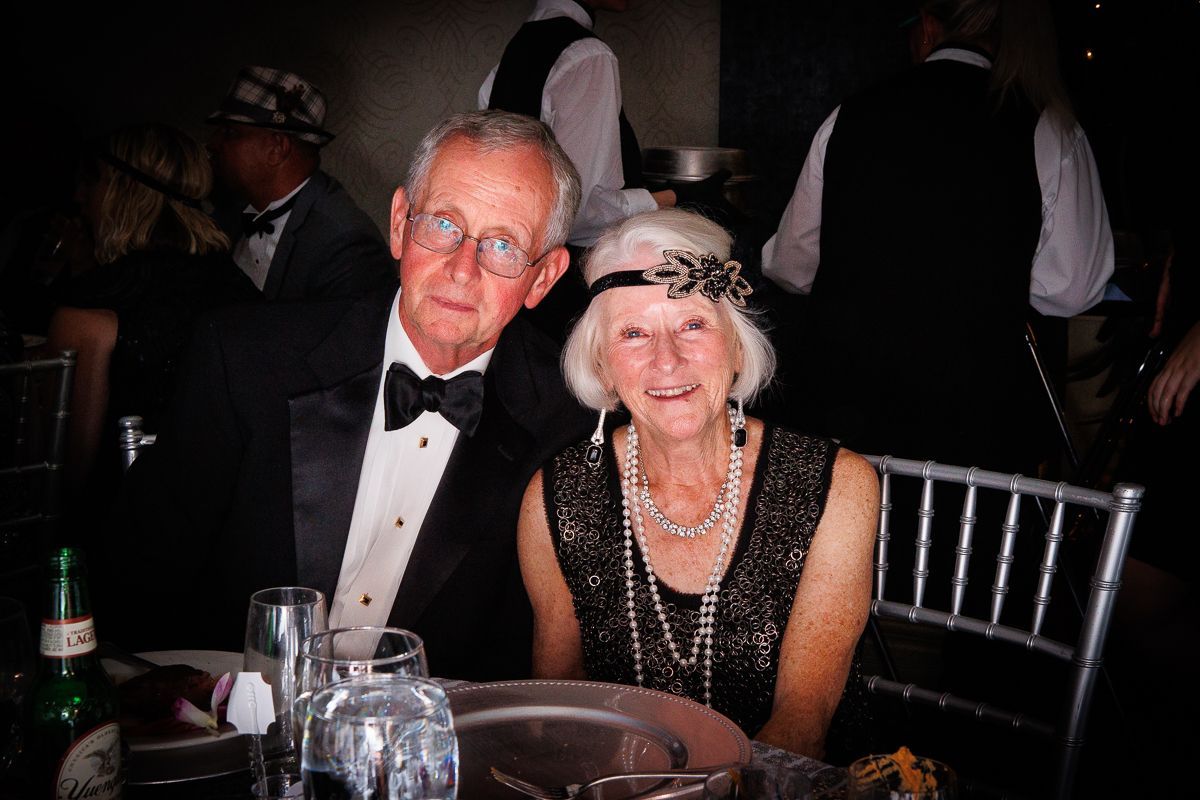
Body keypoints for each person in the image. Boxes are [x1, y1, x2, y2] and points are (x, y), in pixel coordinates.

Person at [104, 111, 592, 682]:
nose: (462, 270)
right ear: (398, 223)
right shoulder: (245, 360)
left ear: (543, 278)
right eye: (442, 225)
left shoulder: (568, 425)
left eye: (504, 246)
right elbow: (132, 587)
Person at [517, 208, 878, 760]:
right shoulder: (555, 501)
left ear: (736, 348)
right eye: (634, 333)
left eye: (692, 324)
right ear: (603, 367)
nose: (668, 360)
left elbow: (803, 721)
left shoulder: (838, 487)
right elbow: (560, 708)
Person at [761, 0, 1114, 474]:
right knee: (961, 547)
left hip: (844, 419)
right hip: (970, 429)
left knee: (845, 543)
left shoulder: (850, 116)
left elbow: (790, 267)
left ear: (927, 27)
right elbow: (1073, 288)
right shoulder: (1048, 128)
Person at [479, 0, 732, 340]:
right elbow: (582, 215)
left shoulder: (515, 51)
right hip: (568, 293)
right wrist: (677, 197)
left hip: (518, 283)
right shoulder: (587, 57)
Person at [46, 123, 259, 501]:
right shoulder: (236, 282)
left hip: (126, 532)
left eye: (90, 183)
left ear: (119, 192)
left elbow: (58, 479)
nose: (79, 198)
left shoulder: (88, 310)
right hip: (232, 520)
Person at [206, 65, 395, 300]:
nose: (212, 144)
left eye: (230, 133)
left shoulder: (346, 245)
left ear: (277, 148)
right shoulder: (228, 212)